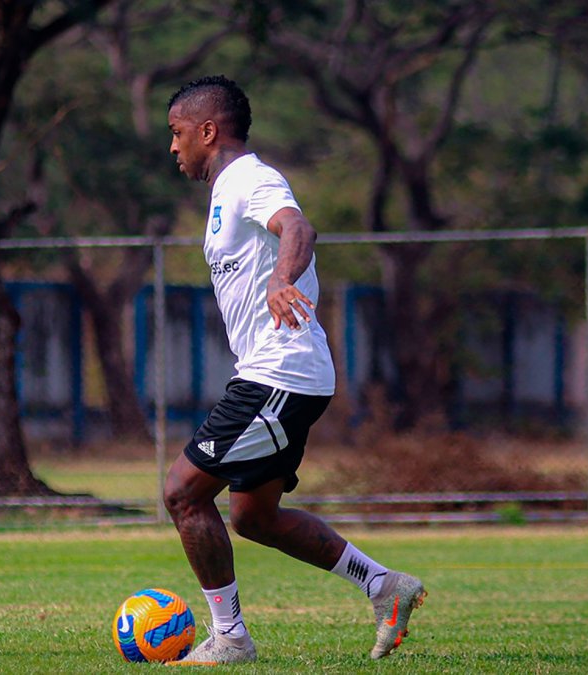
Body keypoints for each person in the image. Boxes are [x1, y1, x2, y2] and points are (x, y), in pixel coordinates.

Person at [162, 76, 426, 664]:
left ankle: (230, 638)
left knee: (182, 492)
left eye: (178, 134)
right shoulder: (226, 190)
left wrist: (283, 279)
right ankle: (386, 586)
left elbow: (298, 227)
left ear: (208, 130)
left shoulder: (252, 178)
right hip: (275, 374)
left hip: (278, 374)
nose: (174, 148)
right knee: (254, 516)